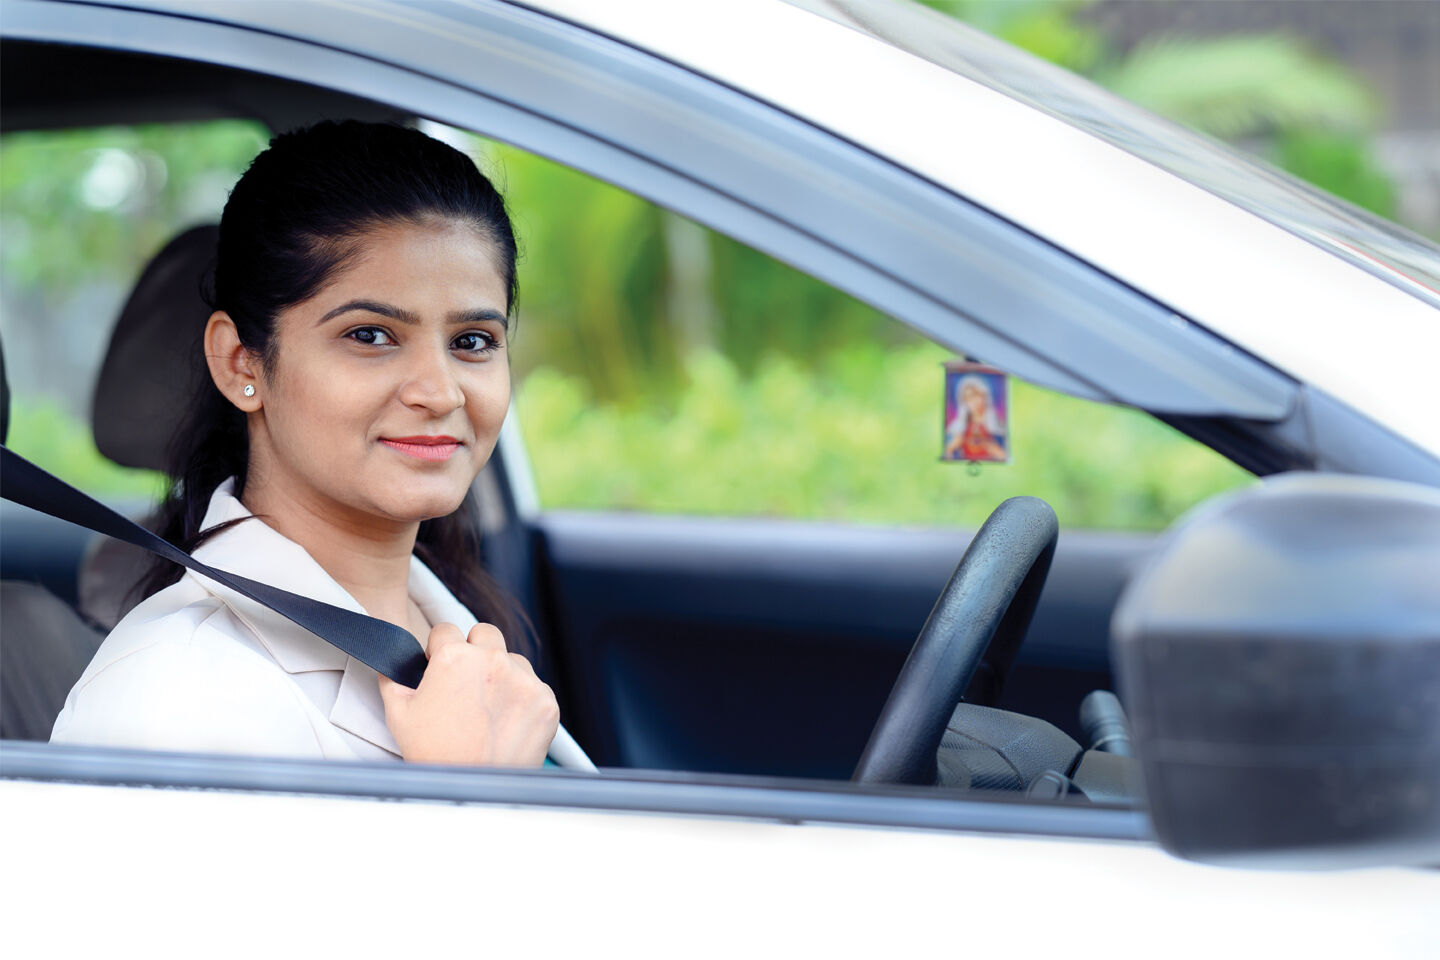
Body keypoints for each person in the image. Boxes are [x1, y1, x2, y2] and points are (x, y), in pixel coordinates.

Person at [51, 121, 585, 768]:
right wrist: (467, 794)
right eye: (371, 336)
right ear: (241, 364)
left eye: (472, 341)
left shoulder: (449, 621)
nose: (440, 393)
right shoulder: (166, 701)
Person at [943, 374, 1006, 462]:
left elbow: (1004, 455)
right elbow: (948, 454)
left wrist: (994, 449)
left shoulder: (996, 425)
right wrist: (951, 448)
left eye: (976, 395)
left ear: (985, 396)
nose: (973, 401)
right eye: (968, 398)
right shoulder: (959, 426)